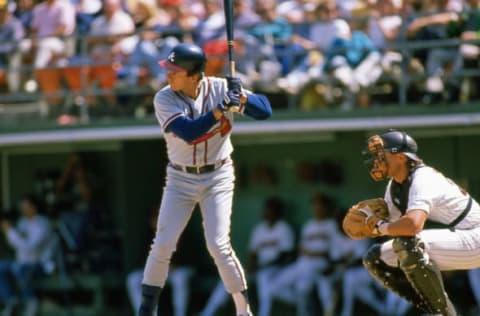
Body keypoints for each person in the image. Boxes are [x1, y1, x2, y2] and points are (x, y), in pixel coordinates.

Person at [138, 42, 272, 316]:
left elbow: (265, 111)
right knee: (163, 242)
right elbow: (189, 132)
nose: (169, 75)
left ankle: (243, 309)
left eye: (175, 71)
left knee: (218, 244)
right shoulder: (164, 98)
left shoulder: (221, 88)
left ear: (194, 75)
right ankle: (146, 310)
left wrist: (242, 98)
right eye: (169, 69)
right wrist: (219, 110)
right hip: (180, 177)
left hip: (218, 175)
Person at [359, 129, 480, 316]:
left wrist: (380, 227)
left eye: (382, 155)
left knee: (409, 243)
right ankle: (436, 309)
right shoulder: (394, 186)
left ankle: (441, 313)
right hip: (458, 238)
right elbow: (397, 227)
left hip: (475, 236)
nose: (377, 160)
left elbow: (412, 226)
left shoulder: (423, 177)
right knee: (375, 259)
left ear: (400, 157)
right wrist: (374, 220)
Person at [198, 195, 295, 316]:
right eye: (267, 209)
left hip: (277, 269)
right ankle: (207, 313)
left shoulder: (283, 228)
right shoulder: (260, 229)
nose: (268, 212)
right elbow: (253, 253)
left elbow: (285, 256)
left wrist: (261, 266)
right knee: (230, 277)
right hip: (259, 268)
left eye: (272, 210)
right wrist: (251, 266)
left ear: (278, 212)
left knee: (264, 281)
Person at [266, 192, 341, 316]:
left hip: (321, 265)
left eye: (320, 206)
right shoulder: (308, 225)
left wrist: (314, 253)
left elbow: (332, 251)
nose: (317, 209)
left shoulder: (332, 225)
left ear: (326, 208)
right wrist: (310, 253)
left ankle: (306, 308)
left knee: (305, 286)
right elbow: (301, 248)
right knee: (273, 287)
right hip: (303, 264)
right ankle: (302, 303)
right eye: (315, 205)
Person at [0, 194, 57, 316]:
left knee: (24, 269)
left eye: (25, 206)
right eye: (22, 207)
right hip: (22, 262)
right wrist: (10, 231)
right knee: (1, 267)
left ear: (34, 207)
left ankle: (30, 302)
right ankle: (11, 300)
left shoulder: (42, 223)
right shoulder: (22, 222)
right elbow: (16, 245)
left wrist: (10, 232)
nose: (23, 210)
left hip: (40, 264)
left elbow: (30, 248)